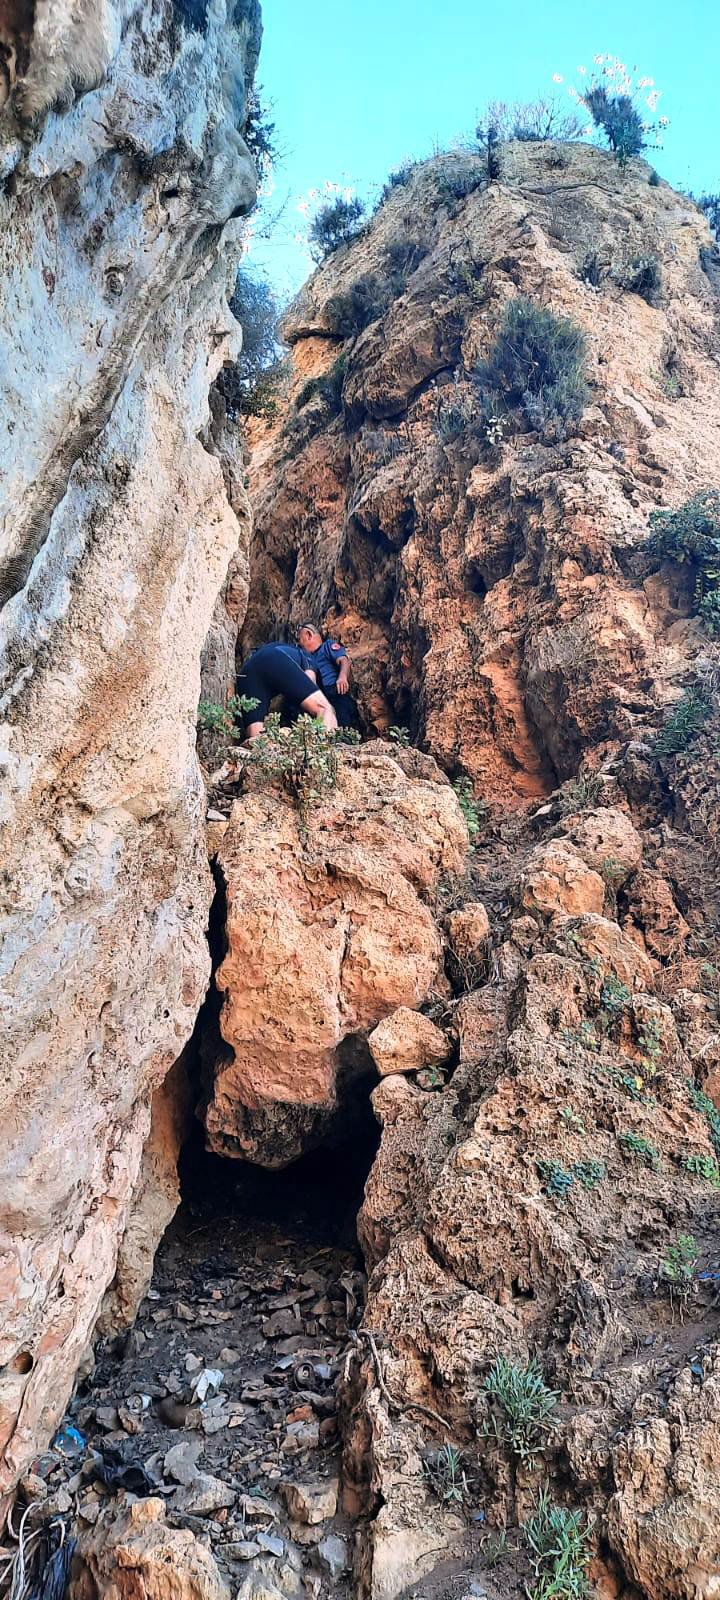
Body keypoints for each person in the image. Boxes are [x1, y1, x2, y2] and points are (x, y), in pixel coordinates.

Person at [235, 641, 337, 741]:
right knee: (324, 708)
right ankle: (324, 752)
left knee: (255, 735)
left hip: (246, 671)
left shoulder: (281, 648)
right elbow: (309, 681)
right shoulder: (308, 656)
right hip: (272, 658)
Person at [296, 623, 356, 728]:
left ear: (309, 635)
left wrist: (342, 677)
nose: (299, 644)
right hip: (319, 696)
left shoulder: (327, 646)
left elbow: (344, 660)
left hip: (335, 692)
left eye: (300, 639)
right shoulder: (305, 657)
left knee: (343, 723)